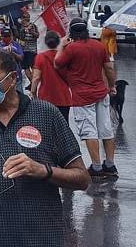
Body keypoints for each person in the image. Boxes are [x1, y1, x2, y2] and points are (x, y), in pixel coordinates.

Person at [0, 47, 91, 247]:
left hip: (43, 240)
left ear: (12, 78)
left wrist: (42, 170)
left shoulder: (46, 114)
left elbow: (82, 179)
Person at [54, 17, 118, 179]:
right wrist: (112, 86)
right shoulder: (99, 46)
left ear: (72, 33)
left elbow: (57, 63)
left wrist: (62, 46)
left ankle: (96, 167)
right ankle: (110, 165)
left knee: (90, 132)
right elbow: (109, 68)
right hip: (101, 93)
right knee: (106, 129)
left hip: (82, 97)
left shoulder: (71, 48)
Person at [30, 31, 73, 122]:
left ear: (46, 42)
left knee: (47, 126)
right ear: (58, 42)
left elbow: (36, 78)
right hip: (63, 97)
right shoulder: (63, 56)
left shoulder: (40, 57)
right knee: (63, 127)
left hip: (46, 98)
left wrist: (33, 92)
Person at [0, 26, 24, 92]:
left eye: (8, 36)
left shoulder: (16, 45)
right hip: (3, 76)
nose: (7, 38)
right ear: (2, 36)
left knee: (19, 94)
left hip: (16, 74)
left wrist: (13, 53)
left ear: (11, 36)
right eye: (5, 36)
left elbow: (21, 58)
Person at [17, 10, 39, 85]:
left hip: (32, 50)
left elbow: (37, 36)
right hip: (24, 50)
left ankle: (33, 84)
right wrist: (23, 31)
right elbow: (20, 38)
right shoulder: (21, 28)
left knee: (33, 67)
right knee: (26, 68)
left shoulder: (33, 26)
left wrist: (31, 31)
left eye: (26, 18)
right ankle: (32, 83)